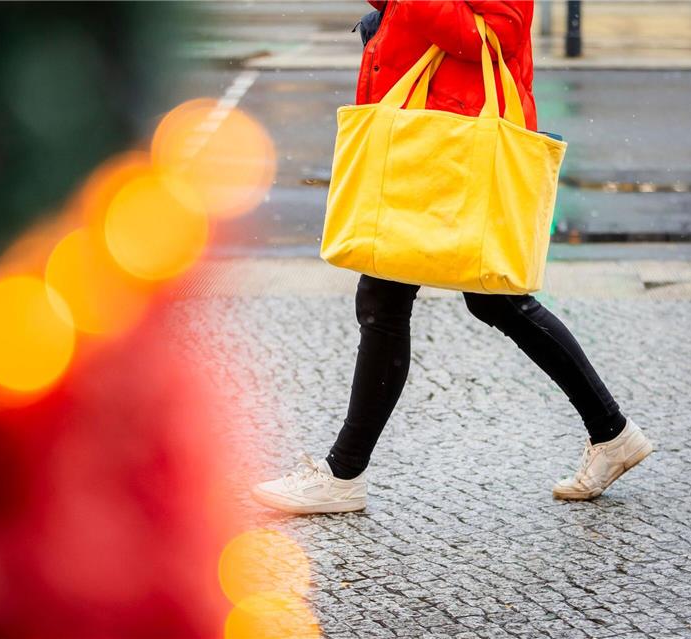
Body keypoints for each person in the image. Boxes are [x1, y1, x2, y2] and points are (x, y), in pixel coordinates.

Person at [251, 0, 654, 514]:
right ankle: (611, 431)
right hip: (428, 128)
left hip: (449, 138)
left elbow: (498, 35)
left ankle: (343, 473)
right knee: (478, 301)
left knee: (392, 293)